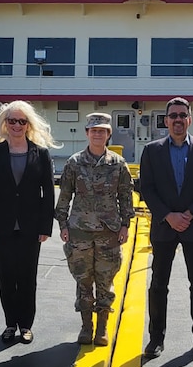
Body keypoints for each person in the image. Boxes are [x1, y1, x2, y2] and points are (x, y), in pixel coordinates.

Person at [138, 97, 193, 359]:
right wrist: (167, 216)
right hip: (164, 227)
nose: (177, 120)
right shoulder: (151, 151)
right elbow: (147, 188)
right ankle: (155, 338)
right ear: (165, 120)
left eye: (182, 115)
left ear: (190, 119)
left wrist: (190, 214)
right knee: (159, 284)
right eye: (173, 115)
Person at [0, 101, 60, 345]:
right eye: (11, 121)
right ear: (4, 124)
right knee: (5, 276)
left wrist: (46, 227)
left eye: (21, 121)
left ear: (28, 125)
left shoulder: (41, 154)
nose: (16, 125)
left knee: (27, 277)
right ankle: (9, 323)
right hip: (1, 228)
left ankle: (26, 324)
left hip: (30, 227)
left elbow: (48, 191)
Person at [54, 113, 134, 346]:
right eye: (94, 130)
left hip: (109, 232)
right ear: (87, 133)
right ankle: (86, 326)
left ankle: (101, 328)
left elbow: (125, 197)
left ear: (108, 134)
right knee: (83, 280)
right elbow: (65, 196)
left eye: (102, 130)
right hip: (79, 231)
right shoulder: (74, 163)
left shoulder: (118, 164)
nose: (98, 134)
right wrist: (62, 224)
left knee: (105, 281)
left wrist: (125, 225)